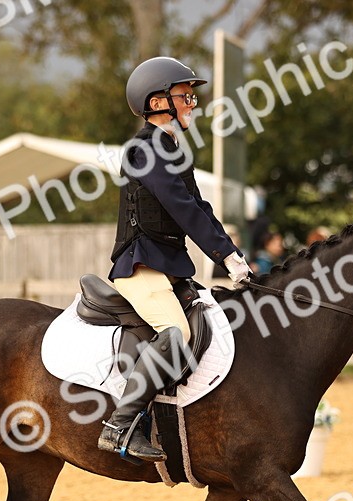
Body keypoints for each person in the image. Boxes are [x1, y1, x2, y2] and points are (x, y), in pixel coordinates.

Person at [100, 56, 252, 462]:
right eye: (186, 96)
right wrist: (222, 256)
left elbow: (199, 207)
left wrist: (233, 257)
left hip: (169, 267)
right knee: (176, 332)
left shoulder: (172, 149)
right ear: (157, 102)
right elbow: (180, 206)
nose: (192, 104)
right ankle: (120, 426)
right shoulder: (141, 149)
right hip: (140, 267)